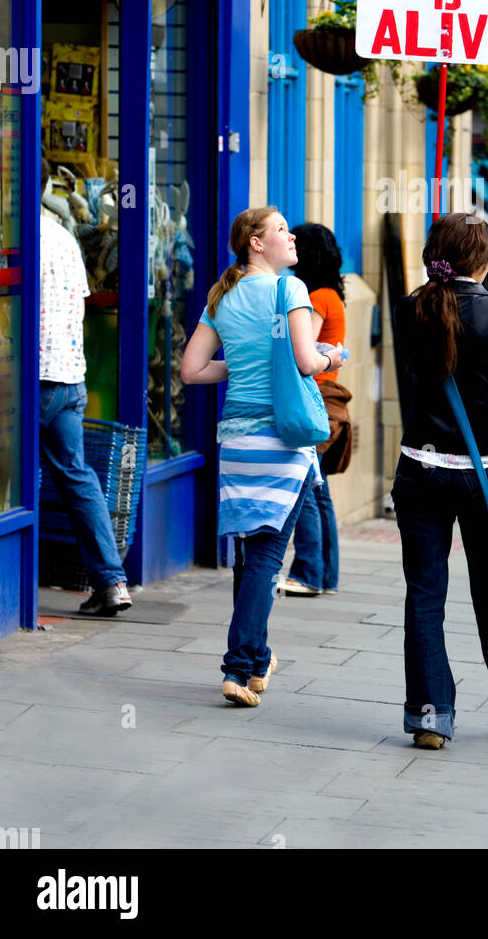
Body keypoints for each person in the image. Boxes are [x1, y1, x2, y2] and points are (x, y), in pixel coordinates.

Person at [181, 207, 345, 707]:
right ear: (256, 243)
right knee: (270, 555)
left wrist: (244, 364)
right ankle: (235, 668)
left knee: (251, 556)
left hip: (235, 439)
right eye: (280, 230)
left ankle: (255, 660)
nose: (290, 236)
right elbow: (303, 360)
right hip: (282, 439)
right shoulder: (288, 289)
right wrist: (333, 356)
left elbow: (192, 370)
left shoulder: (222, 295)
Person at [392, 213, 488, 749]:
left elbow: (413, 380)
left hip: (419, 468)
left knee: (425, 594)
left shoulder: (412, 307)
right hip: (486, 473)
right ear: (482, 260)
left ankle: (429, 714)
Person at [38, 157, 132, 616]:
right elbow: (82, 301)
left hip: (32, 376)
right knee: (77, 477)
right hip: (69, 376)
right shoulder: (62, 237)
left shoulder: (11, 237)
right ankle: (111, 582)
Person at [281, 223, 352, 597]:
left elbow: (302, 349)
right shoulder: (330, 294)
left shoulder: (319, 297)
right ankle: (324, 576)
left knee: (306, 488)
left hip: (317, 397)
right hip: (325, 397)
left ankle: (308, 572)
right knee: (318, 490)